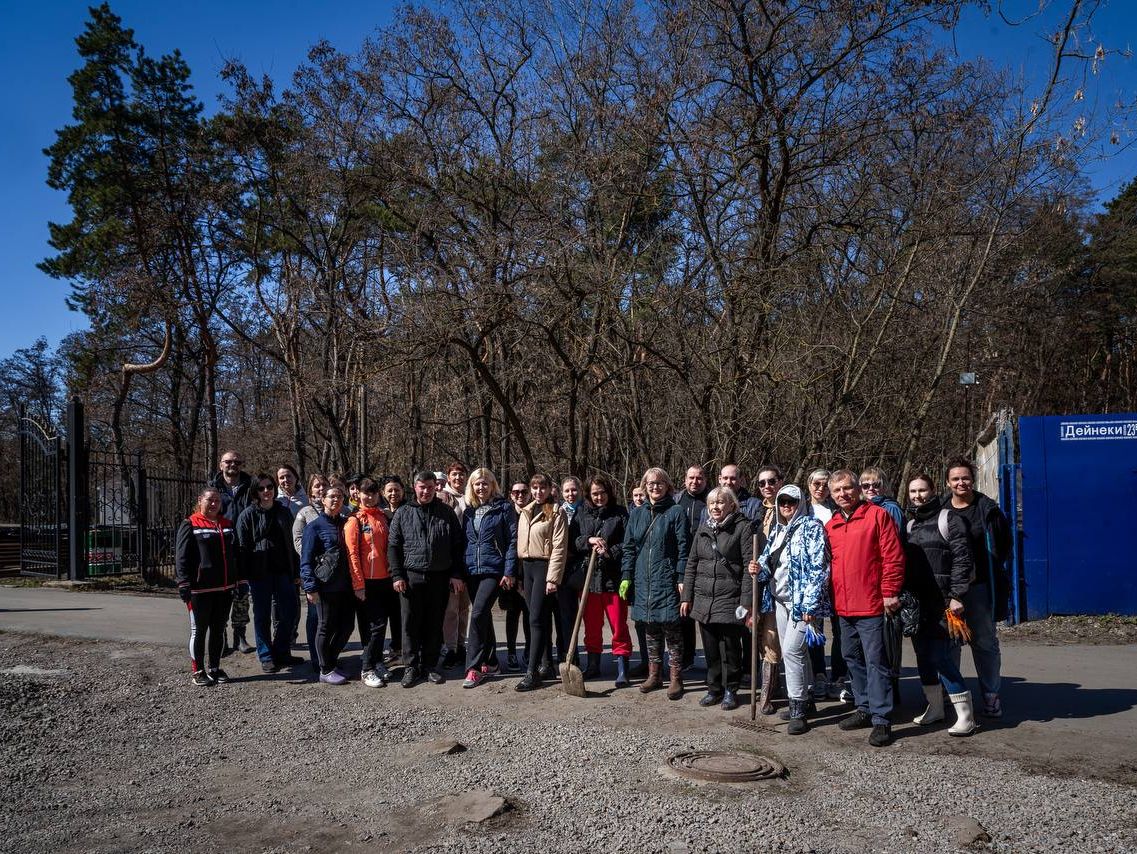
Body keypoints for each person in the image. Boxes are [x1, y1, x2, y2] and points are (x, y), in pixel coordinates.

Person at [826, 470, 905, 747]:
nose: (842, 494)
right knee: (851, 658)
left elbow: (892, 557)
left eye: (847, 488)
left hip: (871, 603)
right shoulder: (832, 524)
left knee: (876, 662)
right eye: (837, 491)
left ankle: (882, 719)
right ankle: (864, 707)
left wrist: (890, 592)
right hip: (843, 606)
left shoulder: (877, 516)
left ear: (857, 489)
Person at [748, 485, 831, 734]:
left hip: (801, 604)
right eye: (782, 501)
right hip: (780, 601)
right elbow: (767, 560)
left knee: (793, 652)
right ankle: (807, 699)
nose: (786, 506)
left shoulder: (812, 528)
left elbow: (819, 569)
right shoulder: (777, 530)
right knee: (795, 652)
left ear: (801, 502)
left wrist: (810, 604)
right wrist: (757, 567)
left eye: (791, 501)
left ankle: (797, 710)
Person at [904, 483, 977, 736]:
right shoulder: (910, 525)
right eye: (913, 492)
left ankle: (966, 717)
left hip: (944, 603)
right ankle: (934, 709)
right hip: (918, 605)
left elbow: (962, 558)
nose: (917, 496)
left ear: (933, 491)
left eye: (922, 490)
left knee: (940, 657)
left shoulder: (949, 519)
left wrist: (957, 595)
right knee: (923, 658)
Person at [945, 457, 1013, 719]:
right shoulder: (941, 509)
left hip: (979, 588)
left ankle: (991, 695)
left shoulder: (987, 509)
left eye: (965, 477)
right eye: (955, 479)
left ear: (972, 479)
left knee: (984, 642)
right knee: (950, 644)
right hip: (950, 590)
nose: (961, 482)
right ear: (948, 482)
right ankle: (955, 698)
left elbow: (1003, 545)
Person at [388, 470, 466, 688]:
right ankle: (411, 666)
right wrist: (397, 575)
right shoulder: (403, 513)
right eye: (422, 487)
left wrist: (456, 574)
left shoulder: (446, 513)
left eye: (430, 487)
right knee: (410, 623)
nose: (426, 491)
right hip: (411, 577)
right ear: (415, 488)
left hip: (440, 577)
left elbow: (457, 545)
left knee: (434, 623)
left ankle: (431, 665)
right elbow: (393, 546)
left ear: (436, 488)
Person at [620, 467, 689, 700]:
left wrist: (681, 577)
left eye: (659, 483)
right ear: (644, 485)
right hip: (643, 578)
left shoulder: (676, 512)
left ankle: (676, 677)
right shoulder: (636, 514)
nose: (654, 487)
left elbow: (683, 548)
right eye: (650, 483)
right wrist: (626, 576)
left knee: (671, 628)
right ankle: (654, 674)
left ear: (667, 486)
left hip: (666, 577)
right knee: (650, 627)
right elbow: (629, 547)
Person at [681, 486, 751, 711]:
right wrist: (687, 597)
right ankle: (714, 689)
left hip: (730, 598)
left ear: (732, 504)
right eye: (712, 503)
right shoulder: (703, 530)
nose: (715, 507)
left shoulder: (743, 528)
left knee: (730, 649)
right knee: (711, 649)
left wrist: (746, 603)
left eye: (721, 502)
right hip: (704, 600)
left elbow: (750, 568)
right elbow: (692, 565)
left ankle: (731, 689)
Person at [719, 464, 776, 705]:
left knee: (764, 635)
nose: (730, 482)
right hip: (733, 579)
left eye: (734, 478)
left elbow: (755, 538)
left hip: (759, 577)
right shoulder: (714, 501)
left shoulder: (754, 505)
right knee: (740, 631)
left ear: (741, 480)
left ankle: (765, 685)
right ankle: (739, 679)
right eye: (725, 478)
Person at [175, 488, 241, 685]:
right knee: (199, 630)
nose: (213, 504)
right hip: (199, 589)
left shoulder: (227, 524)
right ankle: (198, 671)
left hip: (225, 588)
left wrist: (239, 579)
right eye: (209, 500)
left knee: (219, 629)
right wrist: (183, 582)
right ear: (200, 501)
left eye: (217, 501)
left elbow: (235, 554)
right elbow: (181, 556)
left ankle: (215, 667)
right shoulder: (190, 523)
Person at [236, 474, 300, 674]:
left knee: (289, 613)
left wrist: (296, 571)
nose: (266, 491)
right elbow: (242, 547)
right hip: (259, 573)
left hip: (283, 571)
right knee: (262, 615)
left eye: (269, 487)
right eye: (261, 488)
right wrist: (243, 575)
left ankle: (281, 650)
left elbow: (293, 543)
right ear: (255, 492)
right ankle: (265, 655)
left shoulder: (284, 512)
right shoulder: (248, 515)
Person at [460, 468, 518, 688]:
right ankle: (492, 662)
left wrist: (509, 570)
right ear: (472, 487)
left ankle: (473, 668)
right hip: (472, 571)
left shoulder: (503, 508)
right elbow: (464, 542)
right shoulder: (468, 511)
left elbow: (512, 540)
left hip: (494, 569)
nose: (481, 487)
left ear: (493, 485)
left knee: (477, 615)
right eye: (477, 484)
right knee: (482, 615)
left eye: (485, 483)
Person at [515, 473, 568, 691]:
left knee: (535, 619)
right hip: (527, 568)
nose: (538, 492)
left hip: (544, 568)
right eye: (534, 488)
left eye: (542, 488)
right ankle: (546, 664)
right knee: (539, 619)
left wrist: (553, 578)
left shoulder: (556, 512)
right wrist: (518, 575)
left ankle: (532, 671)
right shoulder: (526, 511)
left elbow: (559, 548)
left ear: (549, 489)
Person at [575, 474, 630, 685]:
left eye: (602, 493)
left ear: (609, 492)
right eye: (595, 493)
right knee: (592, 626)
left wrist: (609, 552)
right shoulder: (582, 513)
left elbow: (628, 543)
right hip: (589, 582)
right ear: (589, 494)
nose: (599, 497)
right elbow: (574, 541)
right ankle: (593, 665)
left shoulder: (620, 514)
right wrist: (589, 540)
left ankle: (622, 668)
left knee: (619, 625)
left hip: (612, 580)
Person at [300, 486, 358, 685]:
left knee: (347, 626)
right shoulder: (314, 527)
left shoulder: (346, 523)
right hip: (325, 586)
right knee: (325, 627)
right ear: (322, 499)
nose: (336, 500)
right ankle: (324, 669)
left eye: (340, 497)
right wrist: (310, 587)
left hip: (346, 586)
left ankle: (331, 661)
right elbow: (306, 559)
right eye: (331, 496)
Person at [345, 477, 395, 688]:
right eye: (366, 492)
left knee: (379, 626)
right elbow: (352, 555)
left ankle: (376, 661)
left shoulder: (383, 517)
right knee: (376, 626)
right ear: (358, 495)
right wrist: (358, 585)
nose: (370, 496)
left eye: (374, 492)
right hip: (366, 582)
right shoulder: (354, 520)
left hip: (386, 580)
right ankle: (366, 669)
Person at [210, 450, 254, 654]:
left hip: (245, 548)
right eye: (228, 462)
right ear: (221, 465)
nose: (232, 465)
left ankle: (240, 635)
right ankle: (221, 636)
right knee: (220, 595)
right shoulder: (213, 488)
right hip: (221, 549)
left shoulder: (250, 486)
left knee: (242, 595)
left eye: (237, 462)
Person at [805, 468, 844, 701]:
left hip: (837, 576)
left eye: (824, 484)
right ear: (808, 485)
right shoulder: (803, 509)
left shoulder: (837, 511)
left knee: (841, 629)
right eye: (816, 484)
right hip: (812, 578)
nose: (820, 488)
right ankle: (819, 675)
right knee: (814, 627)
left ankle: (839, 678)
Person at [674, 465, 709, 670]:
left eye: (699, 478)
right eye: (691, 478)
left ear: (705, 480)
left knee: (704, 613)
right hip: (683, 561)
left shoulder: (711, 499)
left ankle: (711, 658)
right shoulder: (677, 500)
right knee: (684, 612)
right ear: (685, 479)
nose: (695, 482)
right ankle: (687, 657)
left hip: (705, 561)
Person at [293, 473, 328, 671]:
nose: (320, 489)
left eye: (323, 485)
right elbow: (298, 540)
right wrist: (316, 559)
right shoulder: (304, 512)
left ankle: (328, 655)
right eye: (316, 486)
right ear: (310, 491)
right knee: (315, 616)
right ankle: (316, 658)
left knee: (330, 617)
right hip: (314, 571)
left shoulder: (340, 509)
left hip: (334, 574)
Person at [439, 461, 471, 670]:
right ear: (448, 477)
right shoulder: (443, 497)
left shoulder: (470, 497)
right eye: (454, 474)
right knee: (450, 609)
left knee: (464, 607)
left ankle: (461, 646)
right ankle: (450, 649)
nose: (458, 478)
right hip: (452, 560)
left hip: (469, 560)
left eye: (461, 474)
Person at [556, 475, 588, 666]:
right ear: (562, 492)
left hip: (582, 566)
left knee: (586, 616)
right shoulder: (558, 511)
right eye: (567, 490)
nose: (570, 494)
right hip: (562, 568)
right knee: (565, 615)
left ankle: (593, 658)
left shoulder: (586, 510)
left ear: (580, 491)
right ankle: (569, 656)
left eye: (574, 490)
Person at [499, 481, 532, 671]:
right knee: (512, 613)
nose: (520, 495)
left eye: (523, 492)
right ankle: (511, 652)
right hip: (509, 572)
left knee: (529, 613)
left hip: (529, 573)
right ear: (511, 495)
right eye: (516, 492)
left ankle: (528, 651)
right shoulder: (506, 513)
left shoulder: (534, 511)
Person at [379, 475, 407, 663]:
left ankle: (404, 648)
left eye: (396, 489)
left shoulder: (408, 510)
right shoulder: (379, 514)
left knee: (402, 612)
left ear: (403, 491)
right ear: (383, 493)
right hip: (383, 570)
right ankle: (394, 647)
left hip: (404, 568)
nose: (393, 493)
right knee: (388, 611)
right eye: (389, 490)